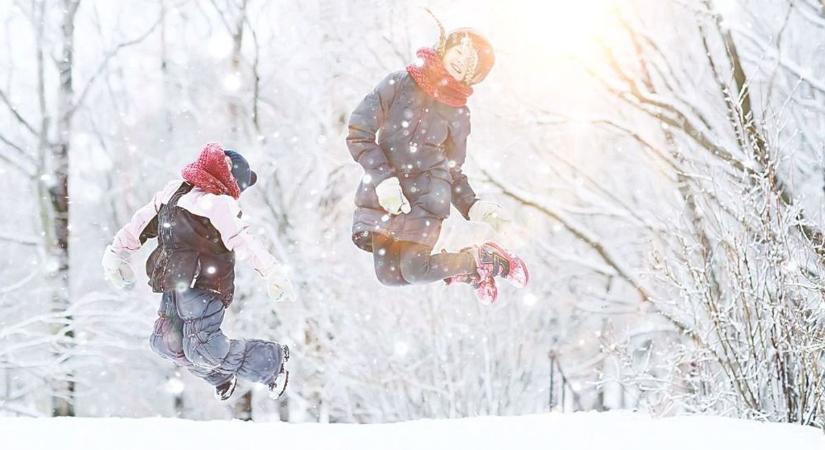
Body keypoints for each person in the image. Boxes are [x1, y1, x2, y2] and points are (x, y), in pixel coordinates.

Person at [346, 22, 528, 303]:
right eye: (461, 51)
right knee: (389, 275)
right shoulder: (399, 83)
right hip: (386, 196)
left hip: (427, 199)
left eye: (471, 65)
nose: (461, 62)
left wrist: (473, 206)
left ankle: (484, 260)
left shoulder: (458, 113)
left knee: (415, 269)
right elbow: (359, 131)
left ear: (474, 77)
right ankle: (471, 269)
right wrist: (383, 180)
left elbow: (452, 170)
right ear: (447, 46)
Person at [101, 143, 294, 400]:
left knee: (203, 349)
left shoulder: (219, 204)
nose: (239, 194)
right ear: (232, 180)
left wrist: (271, 272)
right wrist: (117, 252)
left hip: (206, 284)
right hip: (172, 281)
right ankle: (220, 375)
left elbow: (243, 241)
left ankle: (271, 362)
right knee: (164, 343)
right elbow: (141, 223)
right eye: (240, 187)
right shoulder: (175, 193)